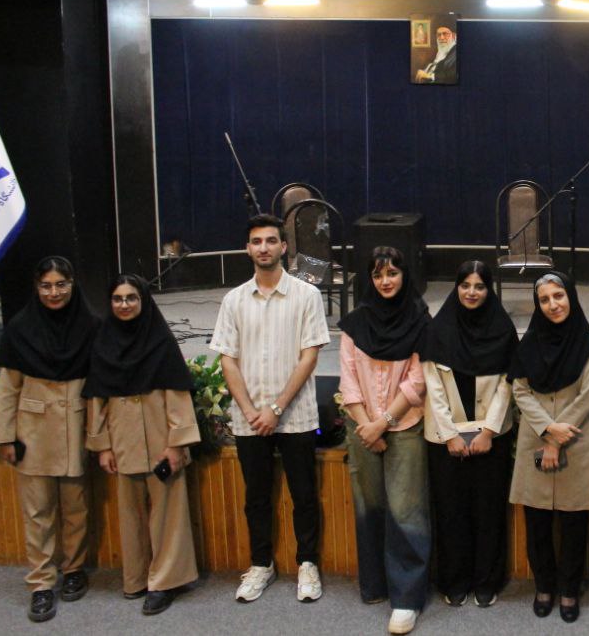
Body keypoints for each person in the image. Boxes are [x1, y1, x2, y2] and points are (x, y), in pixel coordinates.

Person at [211, 213, 330, 604]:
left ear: (284, 247)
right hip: (250, 419)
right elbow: (228, 359)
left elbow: (309, 356)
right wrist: (250, 410)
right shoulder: (233, 300)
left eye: (271, 241)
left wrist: (276, 408)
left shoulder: (306, 296)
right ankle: (261, 564)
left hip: (295, 416)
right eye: (257, 241)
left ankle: (307, 563)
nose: (264, 248)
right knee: (256, 498)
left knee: (304, 494)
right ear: (248, 249)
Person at [0, 256, 99, 623]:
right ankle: (40, 583)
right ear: (36, 288)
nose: (54, 292)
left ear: (72, 284)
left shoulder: (90, 325)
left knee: (76, 508)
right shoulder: (20, 329)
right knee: (37, 513)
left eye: (61, 285)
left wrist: (100, 435)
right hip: (32, 434)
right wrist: (5, 436)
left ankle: (74, 569)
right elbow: (8, 389)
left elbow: (101, 385)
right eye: (46, 286)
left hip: (75, 429)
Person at [84, 274, 200, 616]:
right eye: (117, 299)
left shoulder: (160, 342)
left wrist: (176, 444)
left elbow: (177, 395)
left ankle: (163, 582)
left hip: (161, 438)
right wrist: (102, 446)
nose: (124, 305)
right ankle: (135, 579)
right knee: (130, 515)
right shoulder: (103, 342)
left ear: (143, 300)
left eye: (131, 298)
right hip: (122, 439)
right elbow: (97, 398)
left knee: (168, 516)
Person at [338, 246, 432, 635]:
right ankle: (375, 584)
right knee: (370, 506)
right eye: (378, 275)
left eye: (392, 273)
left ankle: (406, 598)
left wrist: (383, 423)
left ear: (404, 276)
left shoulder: (420, 320)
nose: (385, 281)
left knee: (407, 510)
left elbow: (417, 381)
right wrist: (367, 425)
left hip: (404, 425)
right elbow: (347, 380)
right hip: (361, 426)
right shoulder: (354, 324)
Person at [507, 272, 589, 624]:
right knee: (537, 524)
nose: (553, 305)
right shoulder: (529, 342)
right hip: (537, 438)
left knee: (574, 526)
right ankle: (544, 587)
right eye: (544, 299)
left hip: (575, 440)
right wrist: (548, 430)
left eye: (558, 296)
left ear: (571, 297)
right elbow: (520, 390)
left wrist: (556, 436)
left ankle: (569, 591)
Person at [421, 260, 517, 610]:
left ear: (489, 290)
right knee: (451, 512)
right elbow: (433, 386)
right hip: (445, 440)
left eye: (479, 286)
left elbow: (508, 384)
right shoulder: (438, 329)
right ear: (456, 287)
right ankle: (454, 580)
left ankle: (487, 581)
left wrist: (488, 431)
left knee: (489, 511)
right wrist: (450, 434)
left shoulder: (503, 329)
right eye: (465, 285)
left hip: (491, 438)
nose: (471, 292)